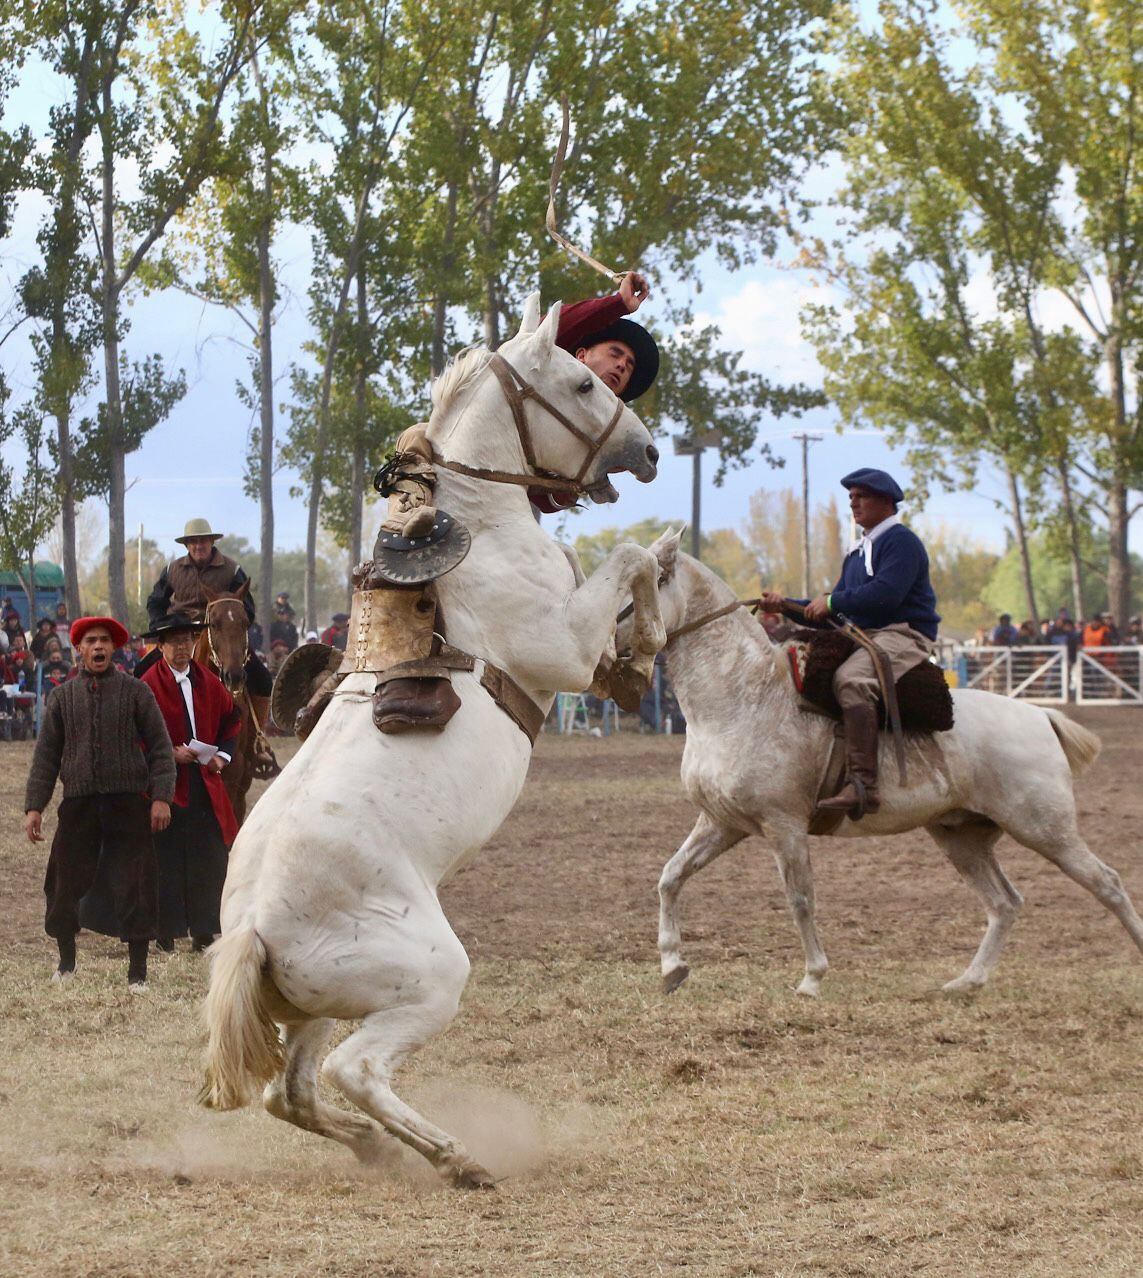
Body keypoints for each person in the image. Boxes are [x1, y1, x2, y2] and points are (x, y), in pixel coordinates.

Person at [760, 468, 940, 819]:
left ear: (886, 502)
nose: (853, 503)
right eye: (851, 498)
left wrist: (831, 601)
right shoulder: (857, 552)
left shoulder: (901, 542)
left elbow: (885, 596)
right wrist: (786, 606)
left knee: (852, 681)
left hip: (904, 633)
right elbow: (833, 611)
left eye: (862, 496)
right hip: (862, 635)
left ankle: (863, 786)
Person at [23, 617, 176, 990]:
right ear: (78, 648)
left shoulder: (137, 693)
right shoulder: (61, 698)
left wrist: (161, 798)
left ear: (115, 648)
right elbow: (46, 758)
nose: (98, 648)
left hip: (128, 805)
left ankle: (137, 973)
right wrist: (34, 807)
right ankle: (66, 963)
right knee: (62, 883)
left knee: (136, 882)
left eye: (105, 641)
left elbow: (160, 749)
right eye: (91, 641)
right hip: (78, 805)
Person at [138, 614, 240, 954]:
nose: (182, 648)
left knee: (209, 855)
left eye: (188, 641)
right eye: (175, 642)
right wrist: (168, 754)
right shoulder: (148, 685)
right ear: (161, 646)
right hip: (165, 787)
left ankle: (206, 928)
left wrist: (221, 758)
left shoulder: (209, 681)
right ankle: (166, 929)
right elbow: (135, 735)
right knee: (165, 857)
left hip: (204, 784)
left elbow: (231, 720)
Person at [528, 271, 660, 516]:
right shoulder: (538, 371)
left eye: (629, 364)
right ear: (581, 355)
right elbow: (541, 331)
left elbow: (549, 503)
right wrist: (617, 304)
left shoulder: (586, 437)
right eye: (615, 353)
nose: (622, 365)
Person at [145, 516, 274, 737]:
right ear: (186, 545)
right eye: (193, 542)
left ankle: (258, 739)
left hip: (222, 635)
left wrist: (230, 626)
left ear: (212, 542)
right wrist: (163, 628)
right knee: (142, 673)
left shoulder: (232, 569)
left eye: (203, 541)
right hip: (179, 633)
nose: (198, 546)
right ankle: (146, 737)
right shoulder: (172, 569)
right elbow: (155, 603)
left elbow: (248, 608)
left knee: (263, 679)